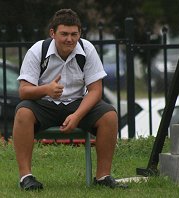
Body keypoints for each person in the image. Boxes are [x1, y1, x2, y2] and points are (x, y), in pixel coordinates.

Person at [13, 8, 127, 191]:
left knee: (109, 115)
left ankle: (103, 177)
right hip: (45, 104)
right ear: (53, 33)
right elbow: (24, 92)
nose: (69, 39)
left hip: (77, 103)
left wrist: (77, 116)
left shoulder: (87, 49)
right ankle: (26, 177)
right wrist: (47, 90)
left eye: (74, 34)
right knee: (23, 111)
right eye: (64, 34)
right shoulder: (37, 50)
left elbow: (96, 90)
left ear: (80, 33)